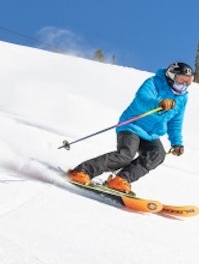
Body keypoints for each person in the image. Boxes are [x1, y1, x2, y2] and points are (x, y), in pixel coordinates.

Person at [67, 61, 192, 194]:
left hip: (151, 134)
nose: (184, 84)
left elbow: (176, 122)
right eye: (181, 79)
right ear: (171, 76)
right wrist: (158, 103)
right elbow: (141, 99)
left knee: (157, 155)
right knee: (125, 155)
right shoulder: (154, 83)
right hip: (132, 126)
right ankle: (82, 171)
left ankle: (120, 180)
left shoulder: (182, 98)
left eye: (188, 81)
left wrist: (177, 143)